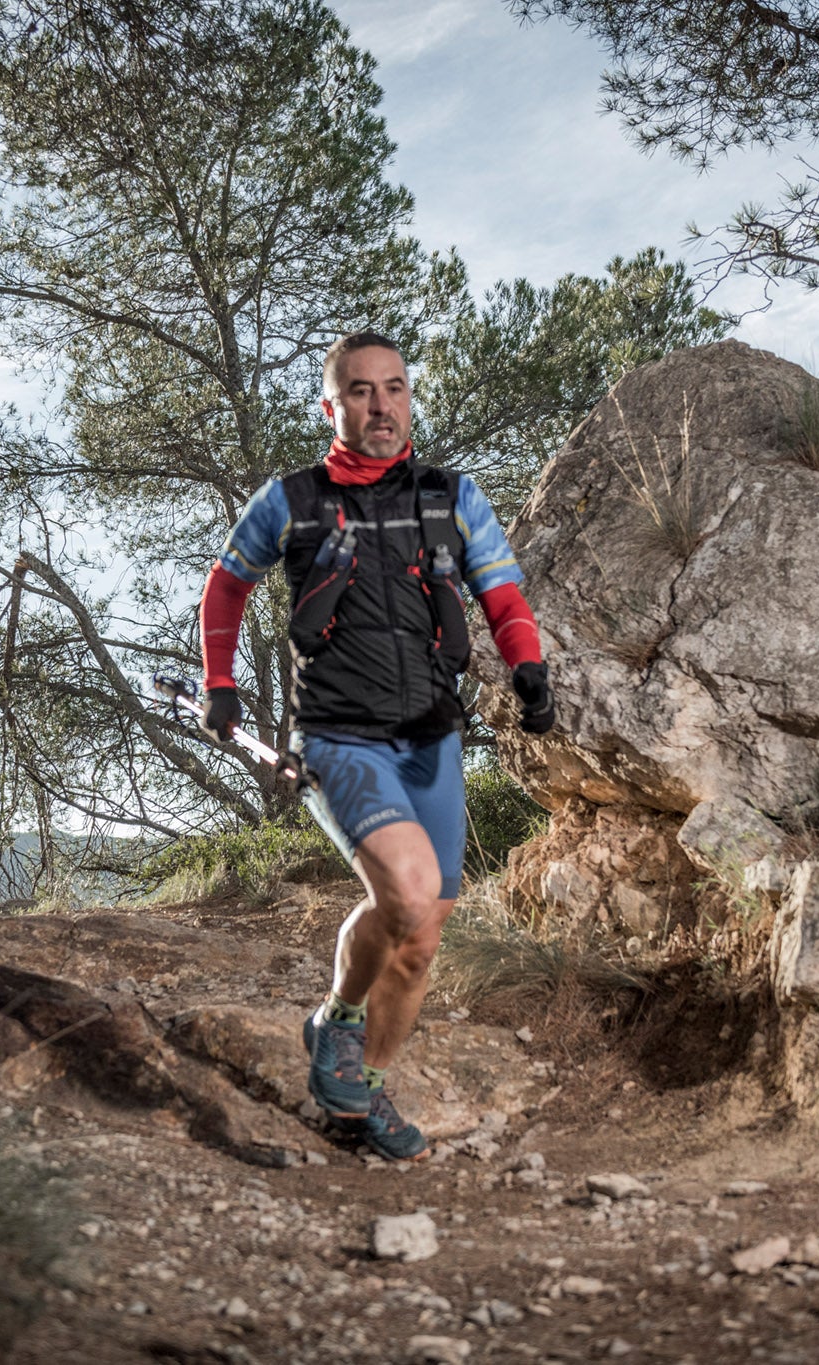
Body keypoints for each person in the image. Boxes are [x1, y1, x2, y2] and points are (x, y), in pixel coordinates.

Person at [196, 331, 555, 1160]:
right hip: (338, 735)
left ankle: (363, 1092)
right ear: (333, 406)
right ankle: (337, 1021)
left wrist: (527, 669)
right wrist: (221, 683)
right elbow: (226, 583)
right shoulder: (291, 500)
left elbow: (502, 591)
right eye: (361, 391)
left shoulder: (451, 497)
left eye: (395, 388)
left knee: (424, 935)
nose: (382, 404)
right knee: (407, 887)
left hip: (433, 738)